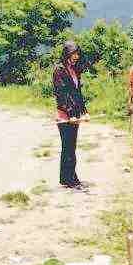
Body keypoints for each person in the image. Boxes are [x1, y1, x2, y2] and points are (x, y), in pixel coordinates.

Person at [53, 41, 91, 191]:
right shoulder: (59, 70)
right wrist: (70, 114)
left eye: (77, 54)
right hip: (64, 115)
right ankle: (70, 180)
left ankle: (68, 178)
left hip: (74, 115)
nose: (76, 57)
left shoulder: (74, 70)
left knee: (71, 147)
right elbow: (61, 94)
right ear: (66, 54)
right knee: (67, 147)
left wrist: (84, 111)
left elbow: (77, 94)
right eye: (73, 54)